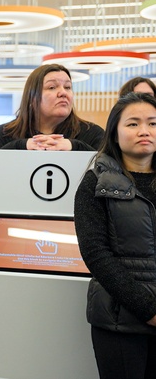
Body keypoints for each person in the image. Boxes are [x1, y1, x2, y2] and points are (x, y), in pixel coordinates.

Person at [74, 92, 156, 379]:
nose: (144, 131)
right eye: (133, 124)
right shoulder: (95, 182)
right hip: (119, 320)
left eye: (153, 123)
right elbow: (96, 253)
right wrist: (148, 309)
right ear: (115, 133)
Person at [0, 64, 104, 194]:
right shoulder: (5, 133)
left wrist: (75, 147)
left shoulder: (92, 133)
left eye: (68, 87)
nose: (63, 93)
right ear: (32, 97)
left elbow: (113, 176)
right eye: (52, 87)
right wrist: (18, 147)